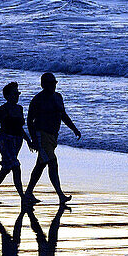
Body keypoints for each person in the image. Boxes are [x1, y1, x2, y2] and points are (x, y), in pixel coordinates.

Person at [24, 72, 81, 207]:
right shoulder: (38, 99)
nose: (53, 86)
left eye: (54, 83)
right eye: (50, 83)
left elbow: (63, 115)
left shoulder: (58, 97)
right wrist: (33, 140)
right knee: (52, 163)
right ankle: (60, 195)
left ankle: (28, 193)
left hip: (53, 137)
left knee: (41, 165)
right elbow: (30, 121)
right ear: (43, 85)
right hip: (41, 135)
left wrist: (74, 129)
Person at [0, 82, 34, 205]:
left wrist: (28, 141)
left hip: (17, 141)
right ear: (7, 96)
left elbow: (20, 129)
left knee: (6, 169)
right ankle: (22, 196)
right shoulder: (1, 110)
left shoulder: (19, 109)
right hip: (5, 141)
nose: (17, 96)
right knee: (16, 166)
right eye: (15, 94)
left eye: (18, 94)